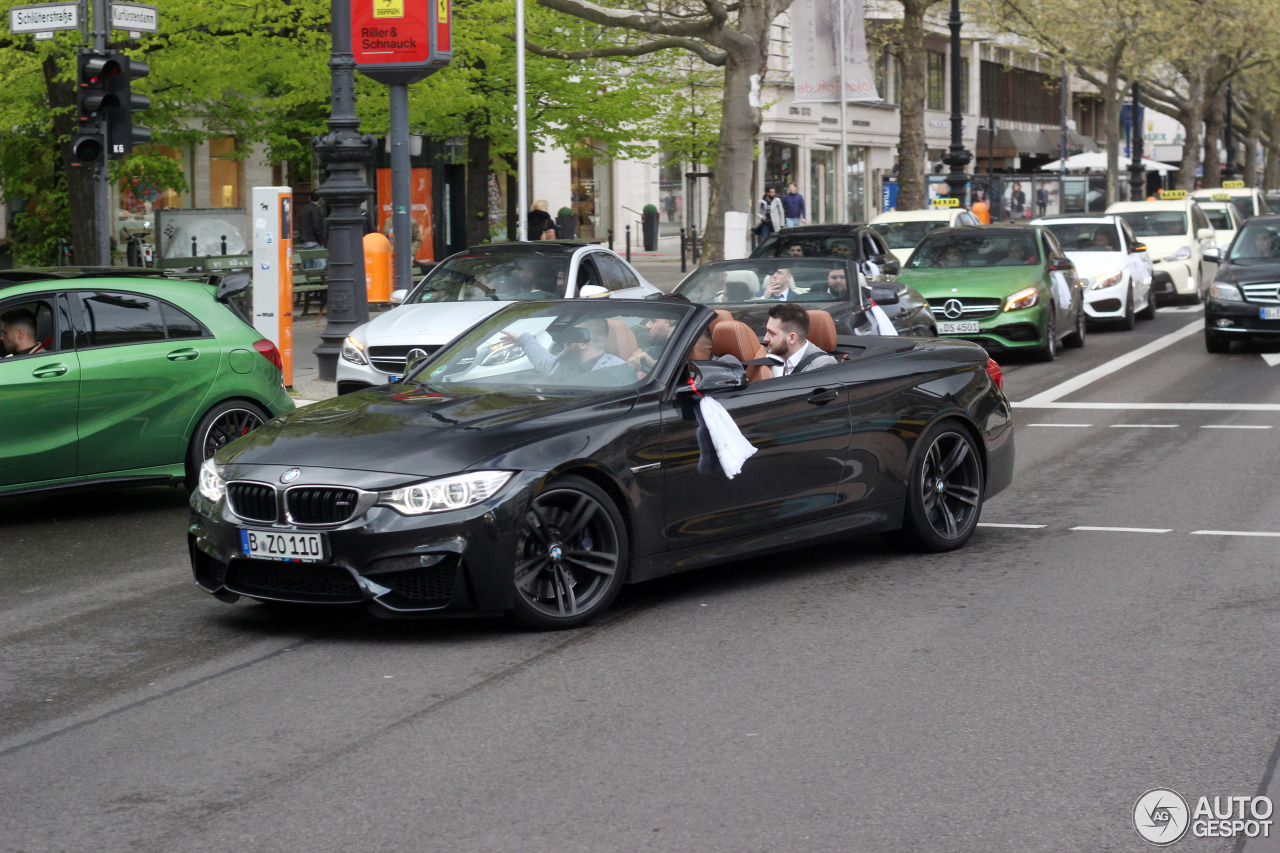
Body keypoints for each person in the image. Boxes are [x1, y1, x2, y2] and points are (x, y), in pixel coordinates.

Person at [501, 318, 625, 376]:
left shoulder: (618, 371)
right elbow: (543, 362)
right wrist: (524, 339)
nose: (564, 347)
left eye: (569, 341)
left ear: (584, 343)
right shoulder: (563, 362)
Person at [763, 303, 837, 376]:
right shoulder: (765, 355)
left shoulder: (823, 365)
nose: (765, 339)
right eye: (767, 331)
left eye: (772, 333)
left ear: (792, 338)